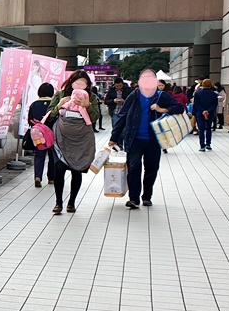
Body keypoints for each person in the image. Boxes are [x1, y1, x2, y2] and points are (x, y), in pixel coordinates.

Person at [109, 69, 185, 209]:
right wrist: (114, 137)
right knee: (134, 168)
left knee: (151, 169)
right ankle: (134, 198)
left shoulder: (161, 96)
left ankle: (147, 196)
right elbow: (122, 116)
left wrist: (162, 109)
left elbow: (180, 107)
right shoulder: (134, 95)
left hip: (154, 140)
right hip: (134, 139)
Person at [46, 70, 101, 215]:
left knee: (77, 170)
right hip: (61, 137)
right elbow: (49, 115)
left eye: (84, 83)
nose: (81, 85)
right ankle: (58, 203)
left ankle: (71, 202)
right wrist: (59, 106)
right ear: (71, 82)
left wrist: (88, 105)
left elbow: (95, 117)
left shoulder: (91, 97)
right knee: (59, 169)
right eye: (78, 82)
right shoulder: (60, 94)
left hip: (81, 139)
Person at [26, 82, 56, 188]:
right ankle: (51, 178)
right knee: (53, 156)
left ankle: (38, 176)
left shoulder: (34, 104)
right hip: (52, 135)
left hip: (39, 135)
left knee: (39, 155)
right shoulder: (54, 104)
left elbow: (29, 120)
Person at [193, 79, 219, 151]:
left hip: (200, 113)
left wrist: (203, 111)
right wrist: (208, 110)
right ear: (210, 85)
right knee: (208, 128)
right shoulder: (214, 94)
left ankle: (202, 145)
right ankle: (208, 144)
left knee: (201, 129)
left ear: (202, 85)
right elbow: (215, 104)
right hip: (210, 113)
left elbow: (196, 104)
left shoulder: (197, 93)